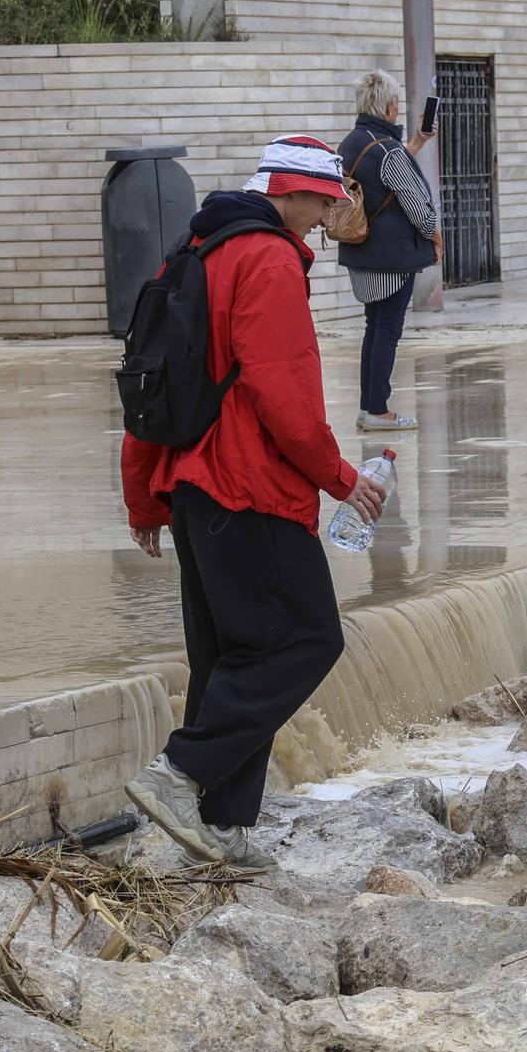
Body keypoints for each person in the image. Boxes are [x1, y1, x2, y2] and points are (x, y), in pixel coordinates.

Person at [120, 135, 389, 869]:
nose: (327, 214)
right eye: (323, 200)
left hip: (193, 489)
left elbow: (146, 375)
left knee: (230, 658)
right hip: (251, 488)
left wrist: (144, 493)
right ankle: (181, 771)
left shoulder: (196, 247)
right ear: (290, 192)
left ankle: (221, 828)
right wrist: (339, 475)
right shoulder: (268, 257)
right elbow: (283, 391)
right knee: (307, 639)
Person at [338, 69, 441, 432]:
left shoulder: (352, 143)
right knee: (387, 331)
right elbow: (417, 205)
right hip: (392, 258)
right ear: (392, 108)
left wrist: (417, 142)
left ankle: (369, 407)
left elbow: (384, 175)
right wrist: (436, 237)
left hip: (362, 251)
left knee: (374, 327)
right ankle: (378, 410)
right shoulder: (388, 150)